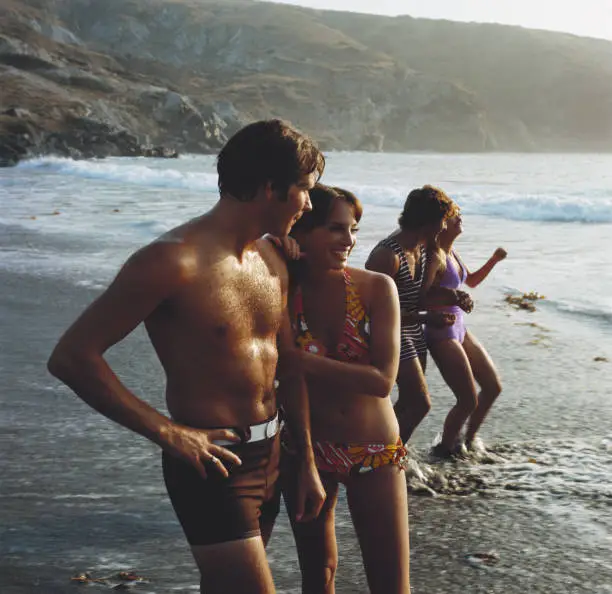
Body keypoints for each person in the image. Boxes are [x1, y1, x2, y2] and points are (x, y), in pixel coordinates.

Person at [47, 119, 327, 594]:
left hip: (274, 451)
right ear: (268, 187)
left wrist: (305, 461)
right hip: (213, 462)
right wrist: (169, 433)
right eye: (304, 189)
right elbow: (73, 356)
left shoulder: (274, 258)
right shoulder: (172, 261)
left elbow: (287, 366)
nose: (309, 203)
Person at [275, 184, 411, 594]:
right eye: (335, 229)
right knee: (318, 578)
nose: (349, 240)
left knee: (391, 585)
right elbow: (290, 383)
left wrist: (297, 359)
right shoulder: (283, 288)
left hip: (374, 451)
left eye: (352, 229)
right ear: (302, 230)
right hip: (307, 447)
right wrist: (305, 464)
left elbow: (382, 380)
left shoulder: (375, 288)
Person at [365, 185, 469, 444]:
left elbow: (420, 297)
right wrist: (425, 319)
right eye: (442, 222)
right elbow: (372, 312)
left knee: (410, 402)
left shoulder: (423, 248)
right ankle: (388, 457)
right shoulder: (387, 256)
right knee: (419, 403)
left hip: (411, 330)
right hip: (387, 334)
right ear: (428, 222)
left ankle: (385, 453)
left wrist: (452, 297)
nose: (445, 228)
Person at [424, 209, 506, 456]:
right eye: (453, 214)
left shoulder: (452, 253)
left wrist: (493, 260)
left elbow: (470, 281)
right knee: (468, 399)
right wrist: (452, 296)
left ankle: (467, 441)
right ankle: (445, 449)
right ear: (441, 223)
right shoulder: (433, 256)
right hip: (441, 331)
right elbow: (421, 296)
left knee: (492, 387)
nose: (459, 217)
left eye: (459, 213)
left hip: (460, 327)